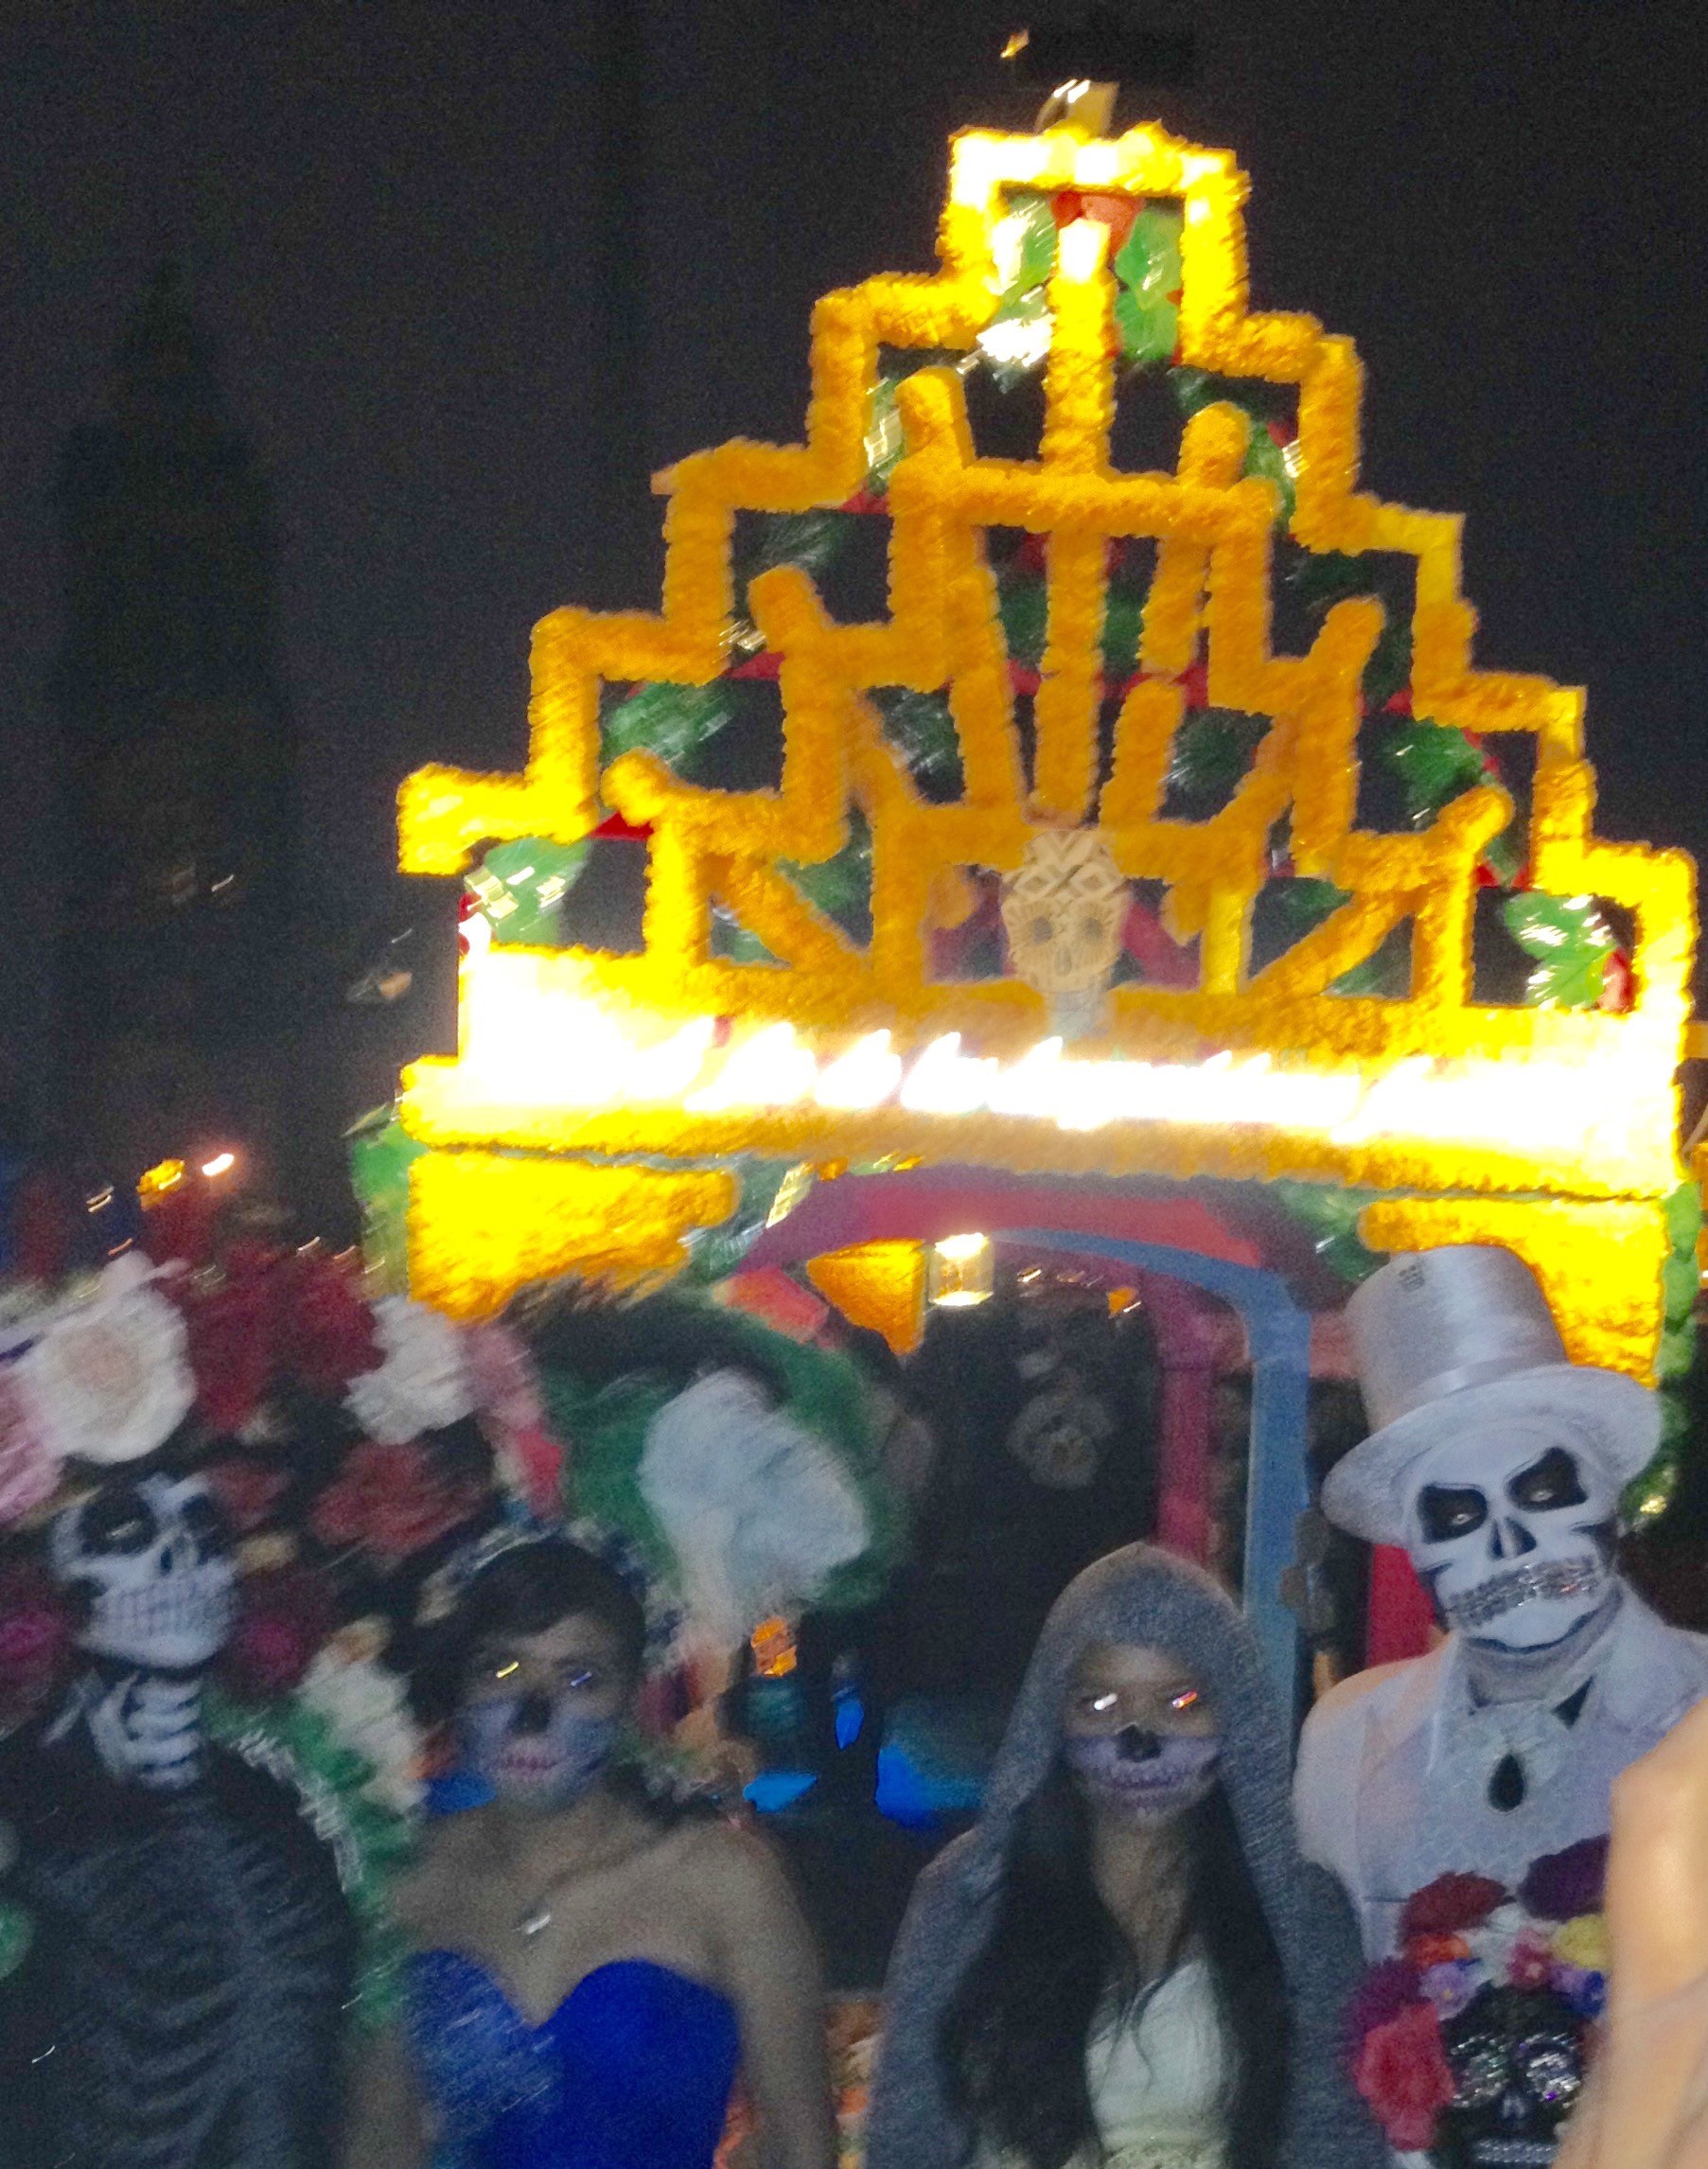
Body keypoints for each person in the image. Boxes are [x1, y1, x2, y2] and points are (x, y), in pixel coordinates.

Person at [863, 1543, 1385, 2169]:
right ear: (1049, 1721)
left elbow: (1334, 2142)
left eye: (1180, 1703)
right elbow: (907, 2137)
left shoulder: (1301, 1916)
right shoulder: (965, 1896)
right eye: (1099, 1705)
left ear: (1235, 1715)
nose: (1138, 1740)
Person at [342, 1535, 836, 2169]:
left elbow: (802, 2148)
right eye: (501, 1669)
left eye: (579, 1677)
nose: (532, 1713)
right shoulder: (402, 1879)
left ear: (630, 1702)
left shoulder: (723, 1881)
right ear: (461, 1690)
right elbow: (378, 2144)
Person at [1294, 1244, 1708, 1962]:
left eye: (1542, 1493)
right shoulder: (1344, 1740)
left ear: (1611, 1504)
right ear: (1413, 1549)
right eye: (1458, 1517)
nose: (1509, 1544)